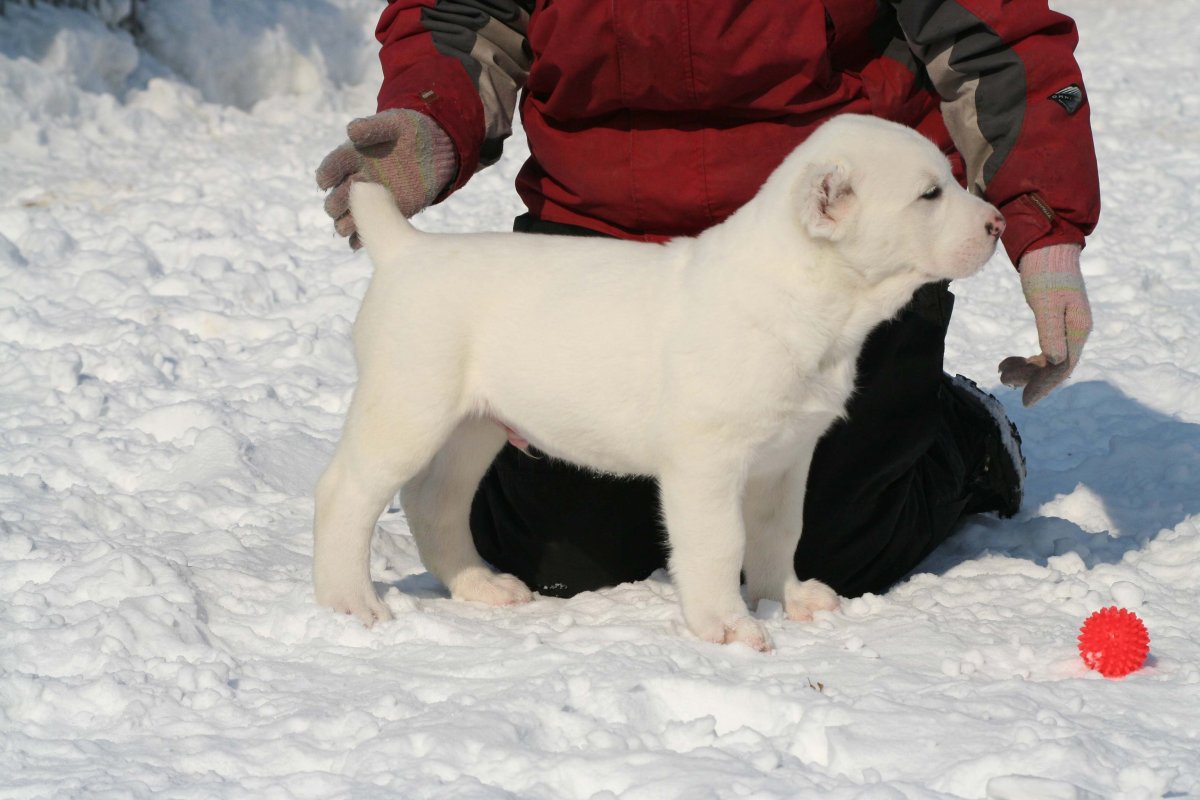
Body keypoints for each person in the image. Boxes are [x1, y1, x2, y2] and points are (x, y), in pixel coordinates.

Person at [316, 0, 1099, 600]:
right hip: (605, 242)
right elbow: (463, 13)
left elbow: (996, 32)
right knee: (565, 554)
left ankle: (961, 432)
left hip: (827, 253)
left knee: (832, 549)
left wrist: (1046, 226)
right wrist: (430, 118)